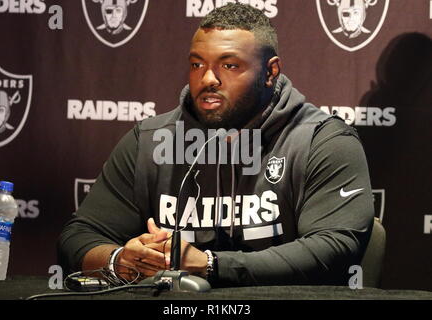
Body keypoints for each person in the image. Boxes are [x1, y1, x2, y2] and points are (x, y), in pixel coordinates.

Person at [58, 3, 374, 287]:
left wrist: (210, 265)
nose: (208, 78)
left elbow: (335, 247)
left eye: (229, 65)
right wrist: (121, 260)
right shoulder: (150, 140)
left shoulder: (322, 139)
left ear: (270, 72)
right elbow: (78, 237)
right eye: (197, 64)